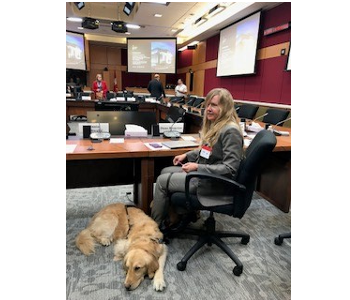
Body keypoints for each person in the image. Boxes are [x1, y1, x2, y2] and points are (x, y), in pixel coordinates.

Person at [151, 88, 244, 231]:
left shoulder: (230, 130)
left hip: (212, 183)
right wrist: (187, 155)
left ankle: (152, 229)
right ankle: (183, 214)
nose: (208, 109)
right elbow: (208, 151)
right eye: (207, 105)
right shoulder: (219, 125)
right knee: (165, 170)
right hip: (206, 175)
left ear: (225, 107)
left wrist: (197, 167)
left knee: (162, 182)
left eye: (214, 105)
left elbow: (230, 169)